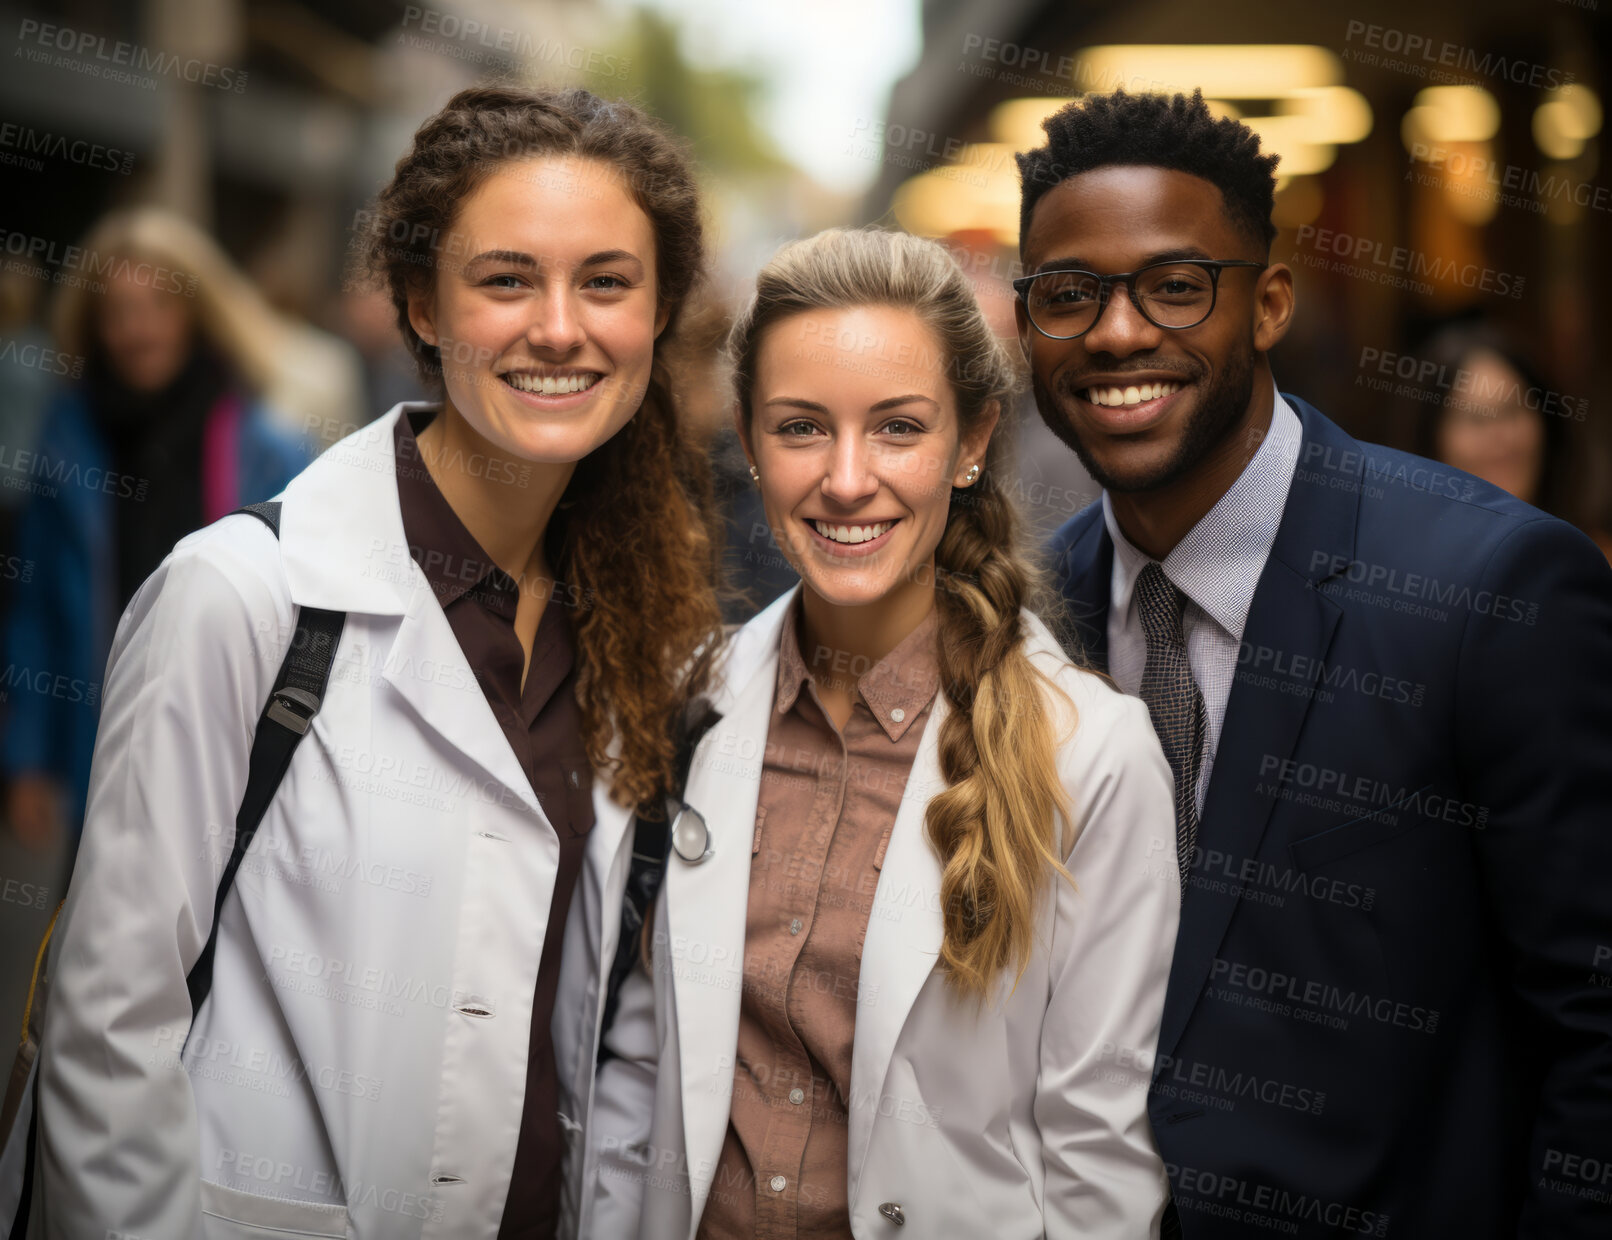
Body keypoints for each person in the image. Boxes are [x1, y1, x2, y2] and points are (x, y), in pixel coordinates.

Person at [0, 85, 724, 1239]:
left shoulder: (644, 640)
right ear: (420, 308)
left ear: (658, 313)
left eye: (605, 280)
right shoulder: (243, 596)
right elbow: (104, 1033)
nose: (559, 325)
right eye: (504, 278)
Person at [1018, 89, 1612, 1237]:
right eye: (1067, 294)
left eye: (1176, 284)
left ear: (1269, 303)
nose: (1117, 332)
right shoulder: (1024, 625)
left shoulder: (1488, 590)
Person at [588, 227, 1181, 1238]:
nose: (848, 479)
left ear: (973, 441)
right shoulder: (685, 705)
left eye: (898, 428)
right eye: (801, 428)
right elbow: (638, 1073)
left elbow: (1097, 1156)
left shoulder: (1091, 752)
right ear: (748, 438)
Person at [1, 208, 312, 857]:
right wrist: (26, 758)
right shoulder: (67, 439)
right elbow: (35, 611)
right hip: (103, 749)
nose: (138, 329)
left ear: (197, 311)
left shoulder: (269, 449)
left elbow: (312, 619)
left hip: (231, 750)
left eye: (158, 305)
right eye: (117, 310)